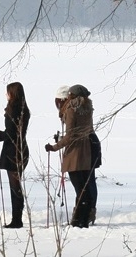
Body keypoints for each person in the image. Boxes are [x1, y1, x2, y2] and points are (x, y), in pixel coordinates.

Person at [45, 84, 95, 228]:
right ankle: (82, 219)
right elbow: (88, 129)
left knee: (79, 188)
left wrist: (55, 147)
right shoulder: (87, 109)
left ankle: (79, 221)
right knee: (83, 187)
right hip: (86, 150)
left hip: (74, 152)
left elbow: (70, 135)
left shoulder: (72, 109)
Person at [0, 82, 30, 228]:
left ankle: (17, 220)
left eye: (7, 92)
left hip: (13, 152)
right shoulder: (24, 109)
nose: (6, 95)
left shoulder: (13, 110)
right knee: (16, 186)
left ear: (12, 94)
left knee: (15, 187)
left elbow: (10, 134)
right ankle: (17, 218)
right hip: (22, 149)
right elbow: (15, 132)